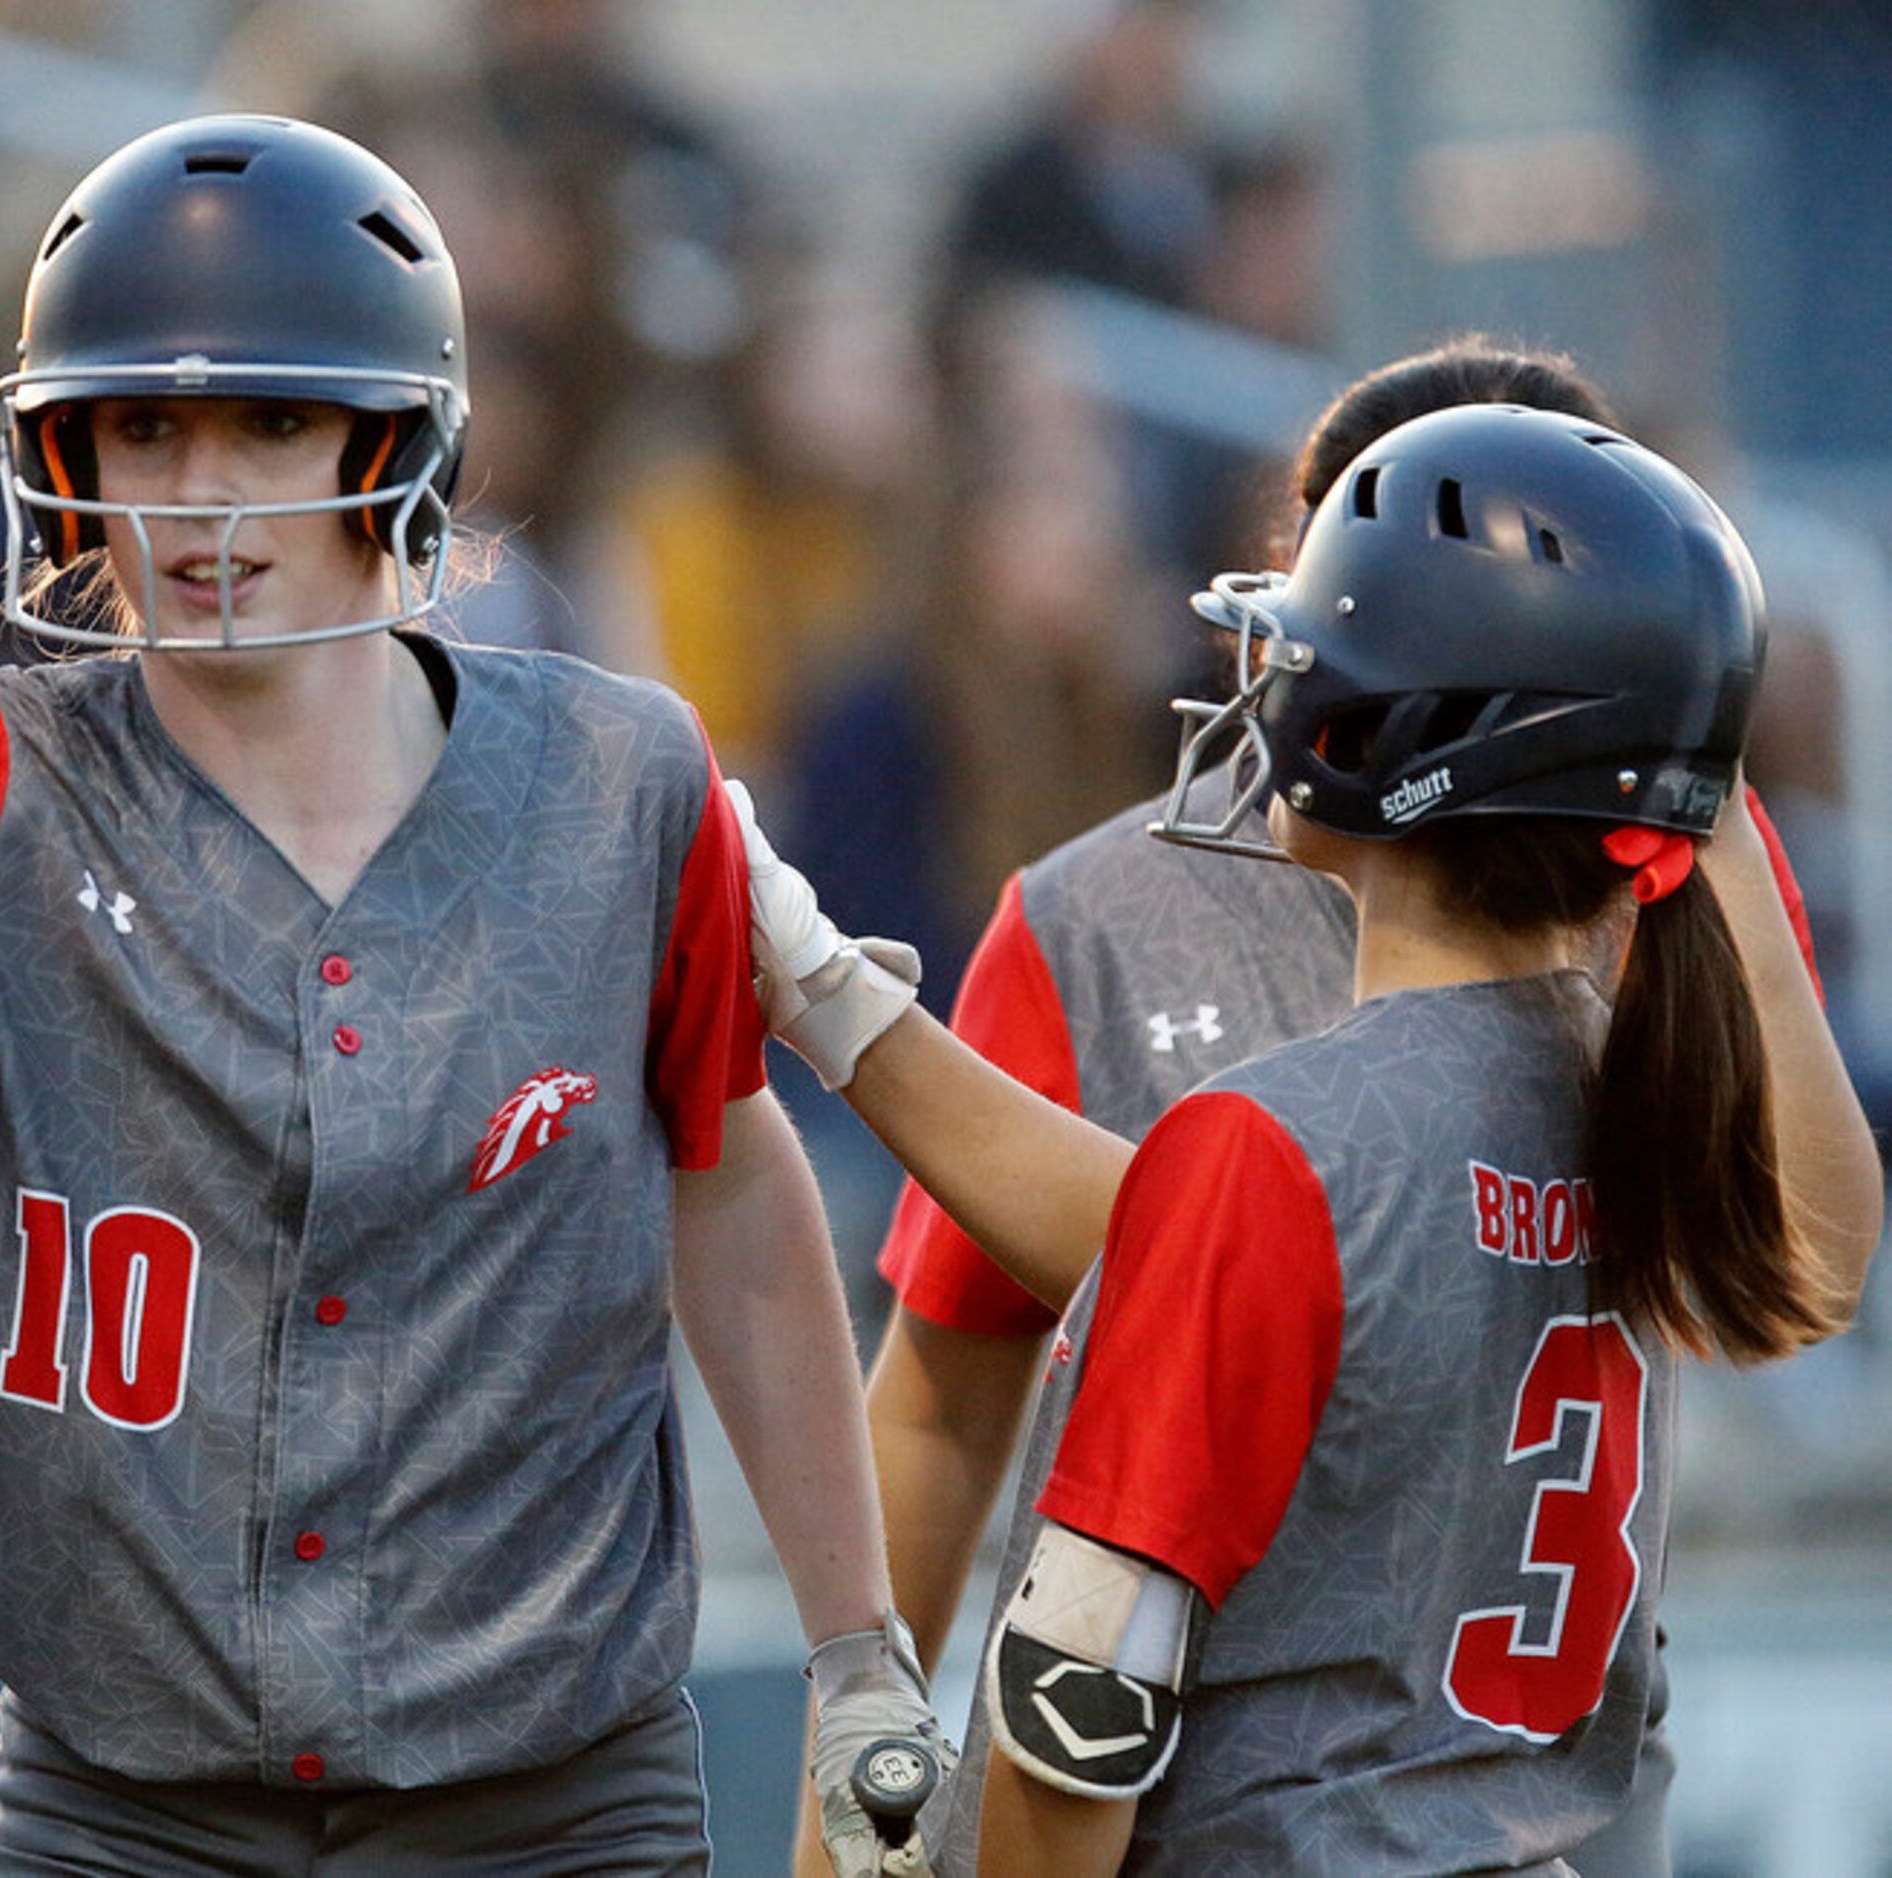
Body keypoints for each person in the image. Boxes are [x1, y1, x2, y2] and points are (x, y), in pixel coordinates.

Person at [0, 58, 939, 1876]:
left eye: (272, 423)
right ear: (64, 453)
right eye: (141, 429)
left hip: (554, 1796)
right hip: (122, 1807)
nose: (200, 493)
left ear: (390, 447)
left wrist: (856, 1644)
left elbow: (733, 1202)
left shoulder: (621, 778)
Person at [741, 402, 1883, 1872]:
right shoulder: (1641, 1091)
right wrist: (837, 1002)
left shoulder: (1275, 1141)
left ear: (1408, 726)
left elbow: (1077, 1704)